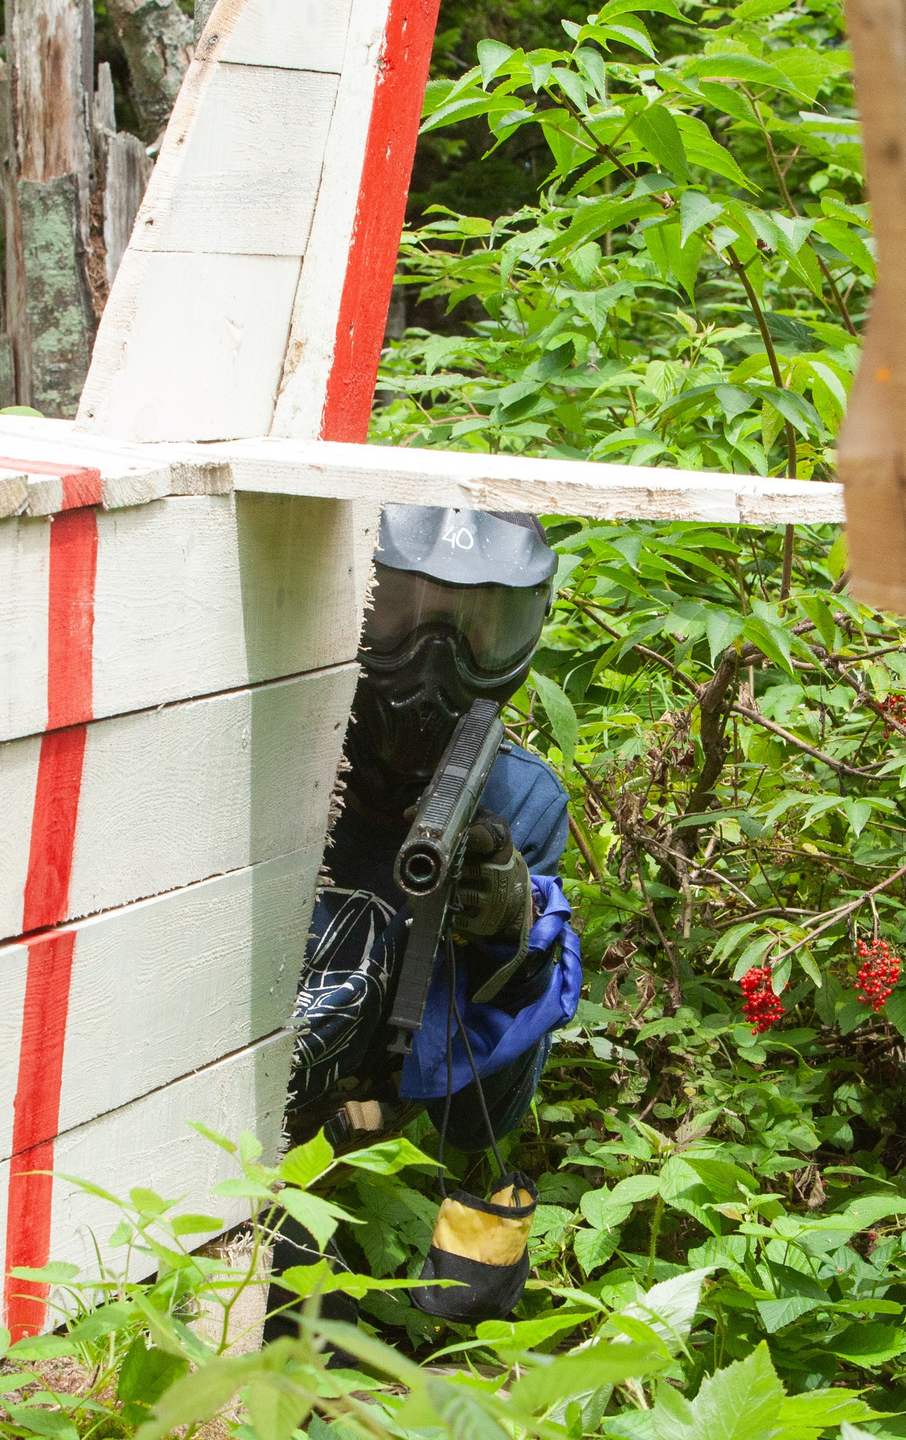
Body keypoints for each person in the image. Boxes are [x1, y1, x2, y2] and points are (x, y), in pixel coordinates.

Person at [268, 506, 585, 1334]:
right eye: (403, 614)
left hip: (350, 1144)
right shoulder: (273, 745)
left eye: (476, 627)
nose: (431, 660)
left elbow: (482, 1113)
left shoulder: (519, 799)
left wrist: (507, 930)